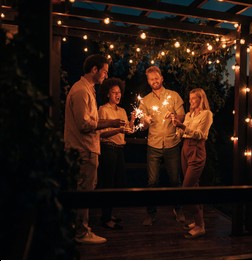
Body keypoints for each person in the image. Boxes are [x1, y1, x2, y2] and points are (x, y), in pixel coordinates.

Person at [64, 54, 126, 244]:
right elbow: (85, 124)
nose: (105, 76)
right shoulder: (81, 91)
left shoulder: (86, 89)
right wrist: (112, 122)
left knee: (84, 190)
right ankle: (82, 232)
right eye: (104, 71)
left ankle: (79, 228)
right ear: (94, 70)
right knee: (84, 191)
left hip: (86, 148)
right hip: (84, 149)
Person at [138, 66, 186, 226]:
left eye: (156, 78)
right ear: (148, 81)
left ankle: (178, 209)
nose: (154, 81)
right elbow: (142, 126)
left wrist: (174, 117)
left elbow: (182, 116)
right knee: (152, 182)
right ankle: (151, 214)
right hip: (153, 144)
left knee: (175, 180)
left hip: (172, 143)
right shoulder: (144, 101)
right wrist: (145, 121)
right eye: (151, 79)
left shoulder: (173, 96)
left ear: (162, 78)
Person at [171, 88, 213, 239]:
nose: (191, 101)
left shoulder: (206, 114)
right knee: (194, 187)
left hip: (197, 149)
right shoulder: (189, 114)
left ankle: (200, 226)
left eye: (194, 98)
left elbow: (201, 134)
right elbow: (182, 134)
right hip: (185, 148)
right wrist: (176, 126)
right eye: (190, 98)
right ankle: (198, 222)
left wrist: (183, 127)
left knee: (187, 189)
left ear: (201, 99)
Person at [97, 78, 135, 230]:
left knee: (118, 183)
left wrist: (132, 120)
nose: (117, 95)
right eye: (114, 93)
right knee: (108, 184)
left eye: (119, 92)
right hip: (108, 148)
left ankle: (108, 214)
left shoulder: (122, 111)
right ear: (108, 94)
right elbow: (101, 134)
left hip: (119, 149)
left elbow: (129, 130)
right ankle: (105, 218)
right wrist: (118, 130)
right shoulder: (103, 109)